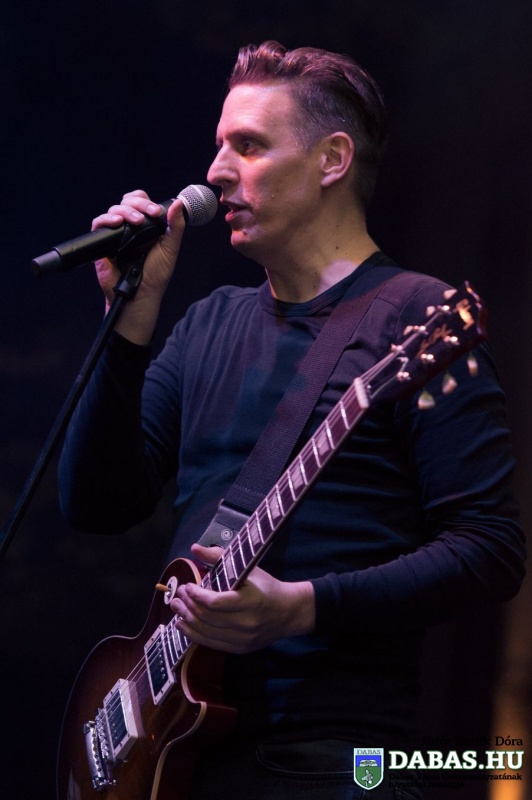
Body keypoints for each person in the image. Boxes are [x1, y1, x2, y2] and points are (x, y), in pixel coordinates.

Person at [58, 41, 525, 799]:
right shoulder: (209, 322)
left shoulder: (417, 319)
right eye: (219, 146)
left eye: (248, 146)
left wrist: (303, 608)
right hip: (182, 755)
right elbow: (95, 503)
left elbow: (490, 549)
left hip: (334, 761)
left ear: (332, 159)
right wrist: (129, 317)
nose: (215, 173)